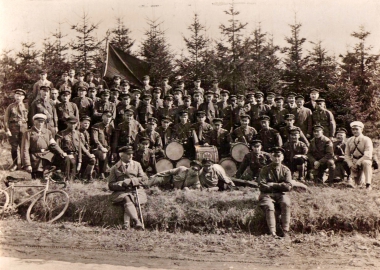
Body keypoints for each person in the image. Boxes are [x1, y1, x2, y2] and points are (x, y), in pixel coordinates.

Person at [108, 146, 148, 230]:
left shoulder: (137, 165)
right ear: (121, 155)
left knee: (133, 199)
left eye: (131, 154)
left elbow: (144, 179)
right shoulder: (114, 168)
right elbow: (110, 185)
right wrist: (121, 184)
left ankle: (126, 223)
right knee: (127, 198)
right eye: (128, 154)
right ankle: (137, 221)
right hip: (121, 192)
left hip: (136, 190)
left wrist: (131, 181)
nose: (131, 156)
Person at [258, 147, 293, 238]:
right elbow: (262, 185)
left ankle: (285, 230)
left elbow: (288, 186)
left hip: (281, 194)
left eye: (278, 156)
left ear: (282, 157)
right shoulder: (265, 170)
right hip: (267, 195)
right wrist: (281, 186)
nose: (276, 158)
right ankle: (273, 232)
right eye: (274, 156)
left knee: (286, 203)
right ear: (271, 157)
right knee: (269, 207)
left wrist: (273, 185)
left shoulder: (286, 170)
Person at [21, 113, 67, 179]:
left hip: (47, 156)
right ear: (34, 122)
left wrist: (62, 152)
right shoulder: (28, 133)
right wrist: (27, 164)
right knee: (37, 179)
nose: (40, 124)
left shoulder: (47, 132)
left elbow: (53, 144)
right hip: (35, 158)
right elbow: (25, 149)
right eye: (38, 122)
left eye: (42, 122)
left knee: (60, 163)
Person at [56, 116, 96, 181]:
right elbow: (57, 147)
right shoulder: (61, 134)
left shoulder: (78, 133)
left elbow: (81, 147)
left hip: (77, 155)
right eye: (70, 123)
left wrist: (86, 157)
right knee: (70, 165)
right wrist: (64, 154)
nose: (72, 125)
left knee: (92, 160)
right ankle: (67, 179)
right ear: (67, 123)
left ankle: (86, 177)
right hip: (66, 156)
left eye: (74, 123)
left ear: (77, 124)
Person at [344, 121, 374, 190]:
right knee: (358, 183)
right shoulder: (349, 140)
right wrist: (350, 164)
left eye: (356, 129)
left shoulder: (366, 139)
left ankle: (368, 184)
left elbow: (368, 155)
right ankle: (350, 179)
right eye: (353, 129)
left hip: (363, 160)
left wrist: (358, 163)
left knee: (367, 162)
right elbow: (347, 154)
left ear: (361, 129)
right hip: (354, 160)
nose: (354, 131)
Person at [4, 89, 29, 171]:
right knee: (14, 147)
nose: (18, 97)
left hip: (24, 128)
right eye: (17, 95)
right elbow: (6, 119)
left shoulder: (27, 106)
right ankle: (15, 164)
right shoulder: (10, 106)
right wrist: (7, 130)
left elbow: (30, 118)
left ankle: (23, 164)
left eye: (20, 96)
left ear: (23, 97)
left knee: (23, 146)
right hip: (13, 128)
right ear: (14, 96)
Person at [91, 110, 114, 179]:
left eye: (110, 117)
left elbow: (113, 140)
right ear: (102, 117)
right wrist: (101, 147)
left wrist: (113, 150)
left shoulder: (111, 127)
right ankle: (101, 173)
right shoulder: (96, 126)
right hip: (97, 148)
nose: (108, 118)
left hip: (109, 148)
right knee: (103, 154)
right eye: (106, 116)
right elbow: (95, 139)